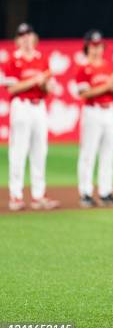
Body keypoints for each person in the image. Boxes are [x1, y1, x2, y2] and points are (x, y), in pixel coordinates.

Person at [3, 23, 59, 211]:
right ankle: (16, 196)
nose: (26, 38)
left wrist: (44, 84)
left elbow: (47, 87)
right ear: (17, 40)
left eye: (28, 34)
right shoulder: (12, 60)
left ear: (34, 37)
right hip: (22, 106)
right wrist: (34, 80)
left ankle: (38, 195)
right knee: (18, 151)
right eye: (22, 35)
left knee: (39, 151)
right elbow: (11, 88)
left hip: (39, 106)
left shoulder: (41, 59)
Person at [75, 30, 113, 208]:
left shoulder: (108, 67)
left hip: (109, 110)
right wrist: (107, 86)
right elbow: (84, 93)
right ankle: (85, 192)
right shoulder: (83, 68)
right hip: (92, 111)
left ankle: (105, 192)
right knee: (88, 153)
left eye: (99, 45)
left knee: (108, 152)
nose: (97, 49)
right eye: (93, 46)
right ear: (87, 47)